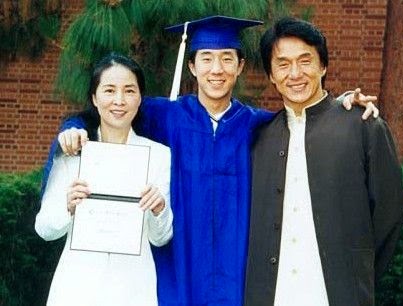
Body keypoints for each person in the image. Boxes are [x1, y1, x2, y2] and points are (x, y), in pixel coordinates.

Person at [44, 16, 379, 306]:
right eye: (206, 58)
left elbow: (304, 116)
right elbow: (110, 111)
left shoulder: (258, 124)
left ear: (241, 66)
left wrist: (341, 105)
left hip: (238, 279)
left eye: (227, 58)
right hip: (179, 274)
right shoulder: (164, 116)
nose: (216, 69)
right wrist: (72, 127)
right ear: (192, 66)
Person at [244, 17, 403, 306]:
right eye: (283, 64)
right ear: (271, 75)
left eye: (305, 61)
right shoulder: (258, 138)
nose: (295, 73)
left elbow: (388, 214)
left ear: (323, 66)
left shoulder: (362, 125)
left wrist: (355, 270)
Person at [35, 53, 173, 306]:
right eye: (109, 90)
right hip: (77, 286)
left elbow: (160, 237)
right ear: (94, 98)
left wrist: (159, 208)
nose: (119, 100)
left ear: (140, 98)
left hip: (134, 288)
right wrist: (67, 207)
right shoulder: (73, 152)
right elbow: (44, 229)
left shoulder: (160, 156)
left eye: (129, 91)